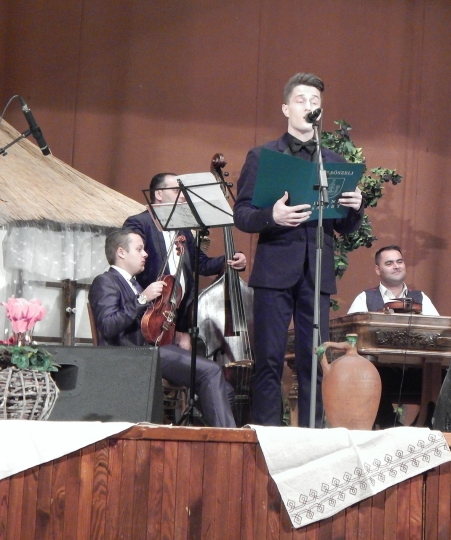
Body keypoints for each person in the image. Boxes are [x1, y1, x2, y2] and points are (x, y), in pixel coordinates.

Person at [234, 72, 364, 427]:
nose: (309, 106)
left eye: (315, 102)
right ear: (286, 108)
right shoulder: (262, 156)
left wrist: (356, 207)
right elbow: (242, 215)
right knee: (269, 359)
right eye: (301, 100)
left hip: (315, 272)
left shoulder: (333, 161)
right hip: (274, 272)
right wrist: (272, 216)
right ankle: (266, 433)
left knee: (314, 360)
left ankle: (312, 435)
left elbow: (344, 227)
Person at [88, 229, 236, 427]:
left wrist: (175, 335)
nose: (145, 254)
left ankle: (213, 434)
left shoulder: (134, 284)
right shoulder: (105, 281)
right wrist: (143, 299)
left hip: (151, 351)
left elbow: (148, 325)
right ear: (121, 252)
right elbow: (108, 325)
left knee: (226, 390)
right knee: (211, 371)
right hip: (133, 354)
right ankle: (228, 438)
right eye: (139, 249)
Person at [124, 173, 247, 348]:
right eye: (177, 190)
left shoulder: (183, 227)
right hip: (153, 309)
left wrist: (231, 259)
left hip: (182, 311)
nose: (183, 195)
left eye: (183, 191)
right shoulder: (139, 223)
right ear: (159, 194)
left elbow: (201, 263)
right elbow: (129, 261)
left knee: (185, 359)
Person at [347, 245, 439, 315]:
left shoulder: (420, 297)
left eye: (399, 262)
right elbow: (350, 330)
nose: (396, 266)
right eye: (389, 263)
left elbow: (437, 328)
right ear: (378, 270)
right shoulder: (364, 298)